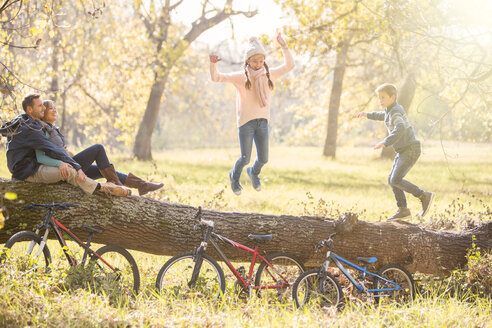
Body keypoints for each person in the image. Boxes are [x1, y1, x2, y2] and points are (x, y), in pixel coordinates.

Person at [209, 32, 295, 195]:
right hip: (246, 123)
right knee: (244, 158)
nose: (258, 64)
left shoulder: (269, 75)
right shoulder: (241, 77)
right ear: (247, 61)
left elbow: (289, 65)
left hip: (262, 122)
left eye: (261, 61)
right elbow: (217, 77)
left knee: (263, 159)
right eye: (255, 61)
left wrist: (284, 46)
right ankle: (234, 177)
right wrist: (213, 65)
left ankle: (253, 172)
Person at [3, 94, 130, 197]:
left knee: (86, 165)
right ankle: (103, 188)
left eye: (43, 105)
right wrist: (71, 166)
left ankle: (132, 184)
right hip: (27, 172)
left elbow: (50, 151)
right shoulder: (31, 128)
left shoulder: (26, 122)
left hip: (29, 168)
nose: (44, 108)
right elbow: (49, 150)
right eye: (40, 106)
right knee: (69, 171)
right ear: (30, 109)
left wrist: (65, 161)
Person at [36, 100, 163, 196]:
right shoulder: (44, 130)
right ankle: (117, 184)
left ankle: (142, 185)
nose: (54, 111)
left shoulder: (52, 129)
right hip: (67, 170)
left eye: (55, 108)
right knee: (98, 148)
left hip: (71, 164)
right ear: (43, 113)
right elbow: (43, 156)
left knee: (100, 170)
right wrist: (60, 163)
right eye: (50, 109)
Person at [356, 83, 434, 221]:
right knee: (392, 180)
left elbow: (401, 128)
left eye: (383, 97)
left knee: (395, 179)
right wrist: (367, 114)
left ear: (393, 97)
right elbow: (382, 116)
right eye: (379, 98)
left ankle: (423, 196)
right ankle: (403, 210)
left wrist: (386, 142)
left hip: (410, 150)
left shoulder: (396, 112)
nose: (380, 101)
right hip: (404, 151)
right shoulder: (390, 110)